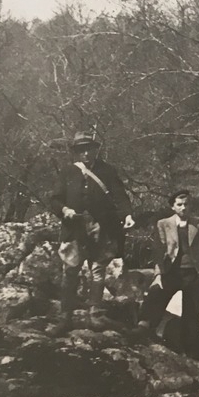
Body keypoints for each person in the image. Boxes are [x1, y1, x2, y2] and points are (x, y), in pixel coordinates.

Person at [50, 131, 134, 314]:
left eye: (89, 149)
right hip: (74, 228)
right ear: (76, 152)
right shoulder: (67, 172)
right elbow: (55, 199)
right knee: (71, 270)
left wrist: (127, 215)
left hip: (101, 227)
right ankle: (65, 314)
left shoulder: (107, 171)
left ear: (95, 150)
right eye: (81, 150)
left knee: (98, 268)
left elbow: (120, 196)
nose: (86, 154)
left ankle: (94, 311)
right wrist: (65, 210)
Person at [138, 189, 199, 363]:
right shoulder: (163, 224)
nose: (183, 208)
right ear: (173, 207)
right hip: (171, 272)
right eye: (179, 205)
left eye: (186, 204)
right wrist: (158, 275)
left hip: (193, 275)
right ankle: (142, 335)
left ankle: (198, 361)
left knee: (193, 318)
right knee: (154, 299)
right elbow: (158, 252)